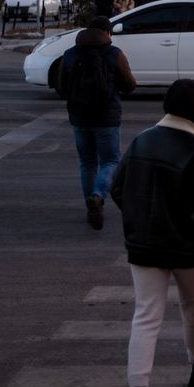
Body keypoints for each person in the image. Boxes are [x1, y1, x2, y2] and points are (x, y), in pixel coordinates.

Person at [108, 79, 194, 387]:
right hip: (190, 250)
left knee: (145, 317)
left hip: (144, 246)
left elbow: (119, 188)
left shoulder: (142, 140)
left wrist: (139, 224)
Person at [59, 16, 138, 230]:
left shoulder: (69, 54)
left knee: (87, 162)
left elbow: (61, 86)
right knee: (111, 161)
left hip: (79, 117)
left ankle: (90, 205)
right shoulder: (114, 54)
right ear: (107, 33)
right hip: (107, 118)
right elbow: (130, 85)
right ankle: (98, 196)